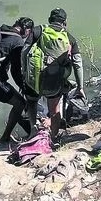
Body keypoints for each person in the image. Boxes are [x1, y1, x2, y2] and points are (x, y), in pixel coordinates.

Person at [14, 8, 85, 140]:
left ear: (49, 20)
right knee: (55, 109)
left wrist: (24, 71)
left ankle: (33, 131)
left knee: (32, 103)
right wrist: (80, 87)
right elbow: (77, 64)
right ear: (65, 22)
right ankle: (54, 136)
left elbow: (24, 51)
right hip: (54, 83)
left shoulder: (38, 30)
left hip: (34, 79)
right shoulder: (69, 38)